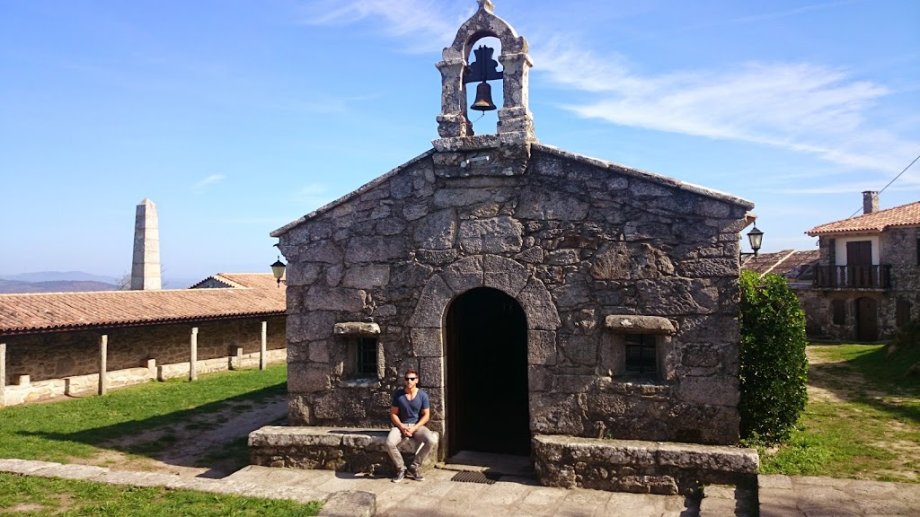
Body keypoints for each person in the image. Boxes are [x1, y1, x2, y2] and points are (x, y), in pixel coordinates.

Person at [386, 368, 438, 482]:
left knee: (431, 440)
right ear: (404, 381)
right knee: (389, 443)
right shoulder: (399, 395)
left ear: (416, 380)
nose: (409, 381)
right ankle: (401, 468)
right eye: (407, 379)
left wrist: (414, 428)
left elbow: (426, 415)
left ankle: (414, 466)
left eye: (412, 379)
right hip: (401, 426)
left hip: (417, 426)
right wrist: (401, 427)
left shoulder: (422, 395)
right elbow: (393, 414)